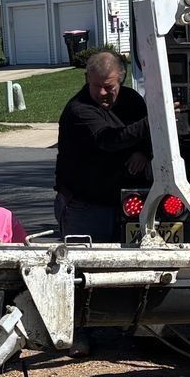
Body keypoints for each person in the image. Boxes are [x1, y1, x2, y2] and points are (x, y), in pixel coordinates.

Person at [53, 51, 151, 242]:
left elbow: (147, 134)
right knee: (85, 267)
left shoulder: (132, 100)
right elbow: (110, 140)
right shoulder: (79, 110)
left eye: (108, 87)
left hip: (126, 203)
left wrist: (143, 151)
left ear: (120, 82)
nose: (101, 93)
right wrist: (157, 119)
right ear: (87, 78)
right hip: (85, 208)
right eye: (96, 86)